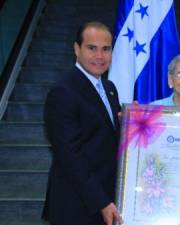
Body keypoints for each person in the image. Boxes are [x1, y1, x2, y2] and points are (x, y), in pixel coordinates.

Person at [42, 21, 123, 225]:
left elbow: (104, 138)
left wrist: (131, 122)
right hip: (77, 205)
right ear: (77, 49)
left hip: (103, 197)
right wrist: (102, 202)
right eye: (92, 48)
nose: (100, 56)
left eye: (106, 49)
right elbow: (70, 155)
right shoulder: (63, 92)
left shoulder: (109, 87)